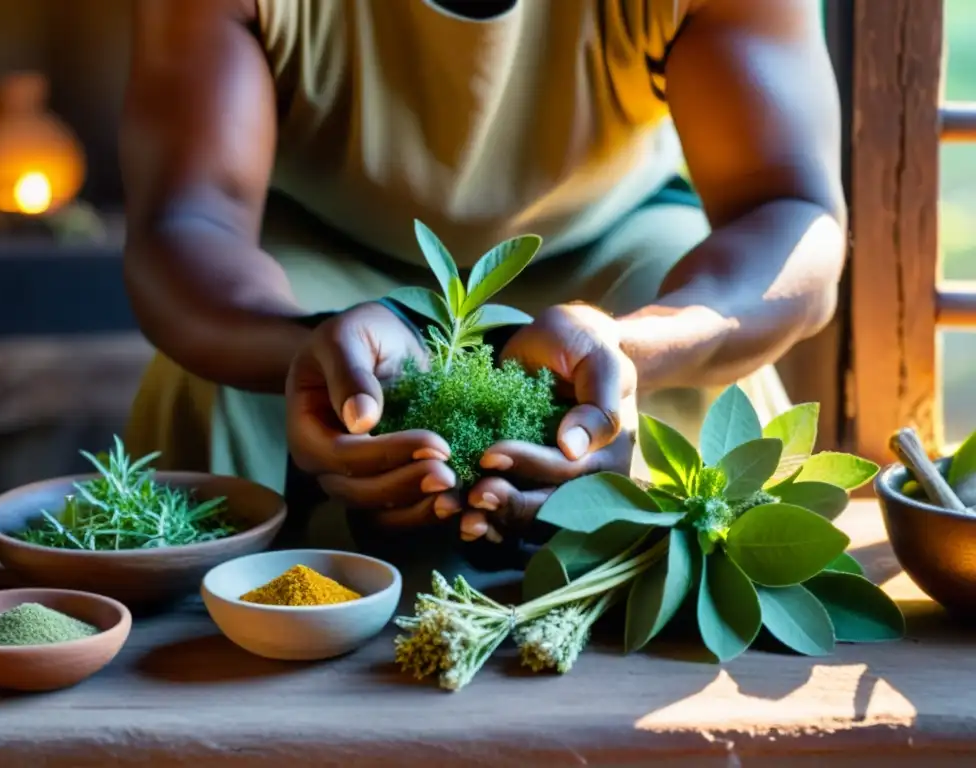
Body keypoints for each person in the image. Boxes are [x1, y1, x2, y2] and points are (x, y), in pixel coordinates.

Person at [121, 0, 844, 557]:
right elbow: (187, 224)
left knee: (702, 351)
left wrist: (638, 350)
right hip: (316, 269)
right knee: (211, 378)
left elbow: (789, 214)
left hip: (610, 247)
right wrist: (308, 355)